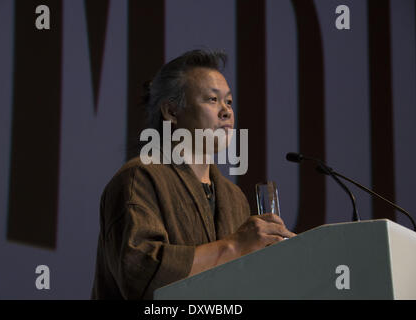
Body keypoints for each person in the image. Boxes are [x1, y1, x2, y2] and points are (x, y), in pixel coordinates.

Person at [91, 49, 296, 300]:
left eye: (229, 102)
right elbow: (140, 275)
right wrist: (235, 246)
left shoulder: (233, 198)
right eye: (212, 99)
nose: (226, 112)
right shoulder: (139, 178)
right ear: (171, 111)